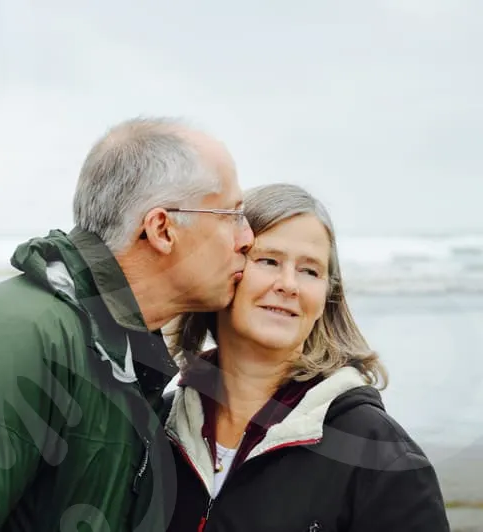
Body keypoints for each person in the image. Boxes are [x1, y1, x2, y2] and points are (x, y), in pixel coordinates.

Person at [0, 116, 254, 532]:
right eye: (231, 214)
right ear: (162, 229)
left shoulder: (124, 356)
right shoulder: (15, 336)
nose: (246, 237)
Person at [164, 183, 450, 531]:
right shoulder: (158, 427)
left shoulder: (382, 457)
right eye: (269, 261)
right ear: (223, 269)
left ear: (327, 296)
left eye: (310, 270)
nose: (289, 284)